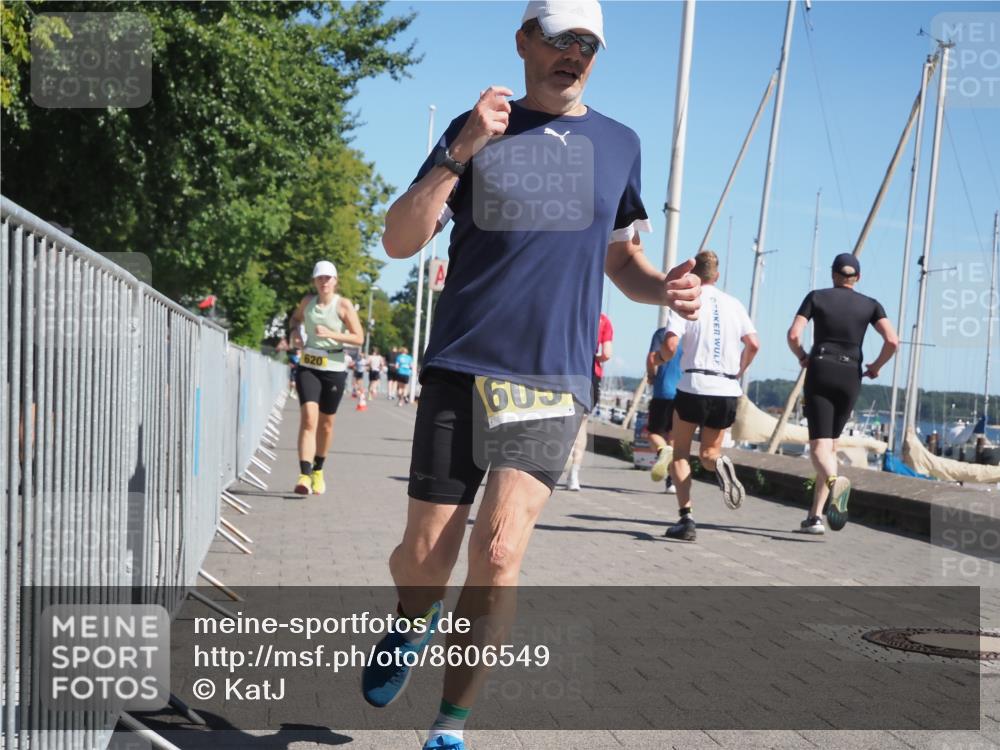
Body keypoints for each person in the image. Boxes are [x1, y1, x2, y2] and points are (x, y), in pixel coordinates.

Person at [362, 3, 702, 748]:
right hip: (462, 362)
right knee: (424, 558)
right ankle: (413, 616)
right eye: (560, 39)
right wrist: (461, 150)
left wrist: (663, 285)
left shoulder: (620, 144)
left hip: (551, 377)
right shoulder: (478, 126)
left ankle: (450, 726)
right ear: (524, 41)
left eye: (589, 45)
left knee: (498, 552)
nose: (574, 54)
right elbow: (398, 240)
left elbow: (620, 259)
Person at [786, 252, 898, 534]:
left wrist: (802, 356)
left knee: (819, 447)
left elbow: (794, 335)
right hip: (851, 375)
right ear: (857, 277)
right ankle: (815, 517)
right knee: (831, 447)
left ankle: (835, 483)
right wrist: (876, 366)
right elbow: (892, 341)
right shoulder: (871, 305)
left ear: (833, 274)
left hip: (821, 369)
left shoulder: (816, 297)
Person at [658, 250, 759, 542]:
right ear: (717, 275)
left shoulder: (688, 299)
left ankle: (686, 518)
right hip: (726, 387)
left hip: (693, 384)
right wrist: (739, 370)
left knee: (680, 453)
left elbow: (671, 344)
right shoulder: (734, 304)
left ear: (694, 274)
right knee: (708, 455)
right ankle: (719, 464)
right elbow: (753, 343)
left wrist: (661, 358)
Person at [288, 261, 364, 495]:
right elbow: (295, 320)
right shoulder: (307, 302)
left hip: (334, 367)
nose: (324, 282)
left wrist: (331, 334)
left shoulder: (343, 305)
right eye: (320, 278)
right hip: (308, 365)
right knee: (309, 419)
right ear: (314, 281)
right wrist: (295, 333)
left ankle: (318, 470)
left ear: (335, 280)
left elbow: (359, 338)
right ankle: (304, 475)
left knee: (326, 424)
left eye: (328, 278)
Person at [565, 311, 612, 490]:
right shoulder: (604, 321)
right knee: (582, 423)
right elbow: (607, 353)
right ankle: (574, 474)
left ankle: (563, 458)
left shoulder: (573, 312)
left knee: (562, 418)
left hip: (569, 370)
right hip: (591, 374)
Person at [645, 326, 683, 492]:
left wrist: (651, 376)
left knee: (654, 434)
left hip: (663, 392)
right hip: (684, 393)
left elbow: (651, 358)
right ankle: (671, 482)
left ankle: (662, 451)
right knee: (674, 439)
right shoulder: (690, 334)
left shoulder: (662, 333)